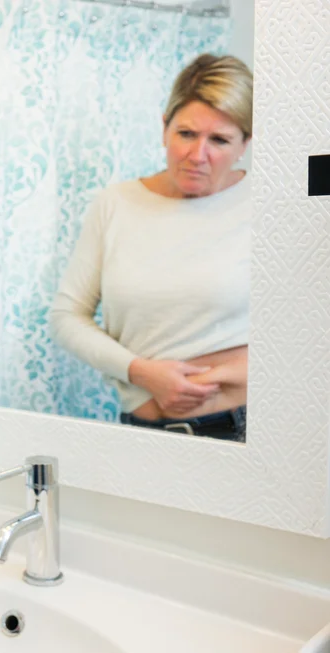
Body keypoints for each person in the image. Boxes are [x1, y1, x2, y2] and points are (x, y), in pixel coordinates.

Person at [51, 54, 253, 442]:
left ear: (245, 142)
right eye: (186, 134)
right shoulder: (116, 204)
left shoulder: (269, 207)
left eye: (220, 140)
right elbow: (66, 317)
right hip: (142, 434)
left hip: (245, 433)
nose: (198, 156)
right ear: (164, 128)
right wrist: (142, 372)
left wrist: (230, 373)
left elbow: (310, 331)